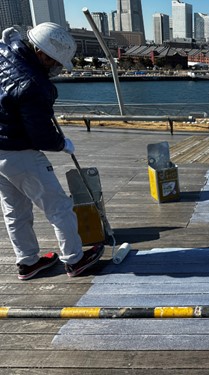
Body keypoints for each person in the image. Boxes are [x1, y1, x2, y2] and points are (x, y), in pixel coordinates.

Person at [0, 23, 104, 280]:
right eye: (53, 62)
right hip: (18, 150)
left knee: (15, 209)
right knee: (58, 205)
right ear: (40, 53)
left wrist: (7, 44)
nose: (54, 68)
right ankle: (75, 260)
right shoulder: (33, 84)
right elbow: (41, 135)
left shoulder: (5, 51)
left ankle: (28, 262)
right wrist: (61, 143)